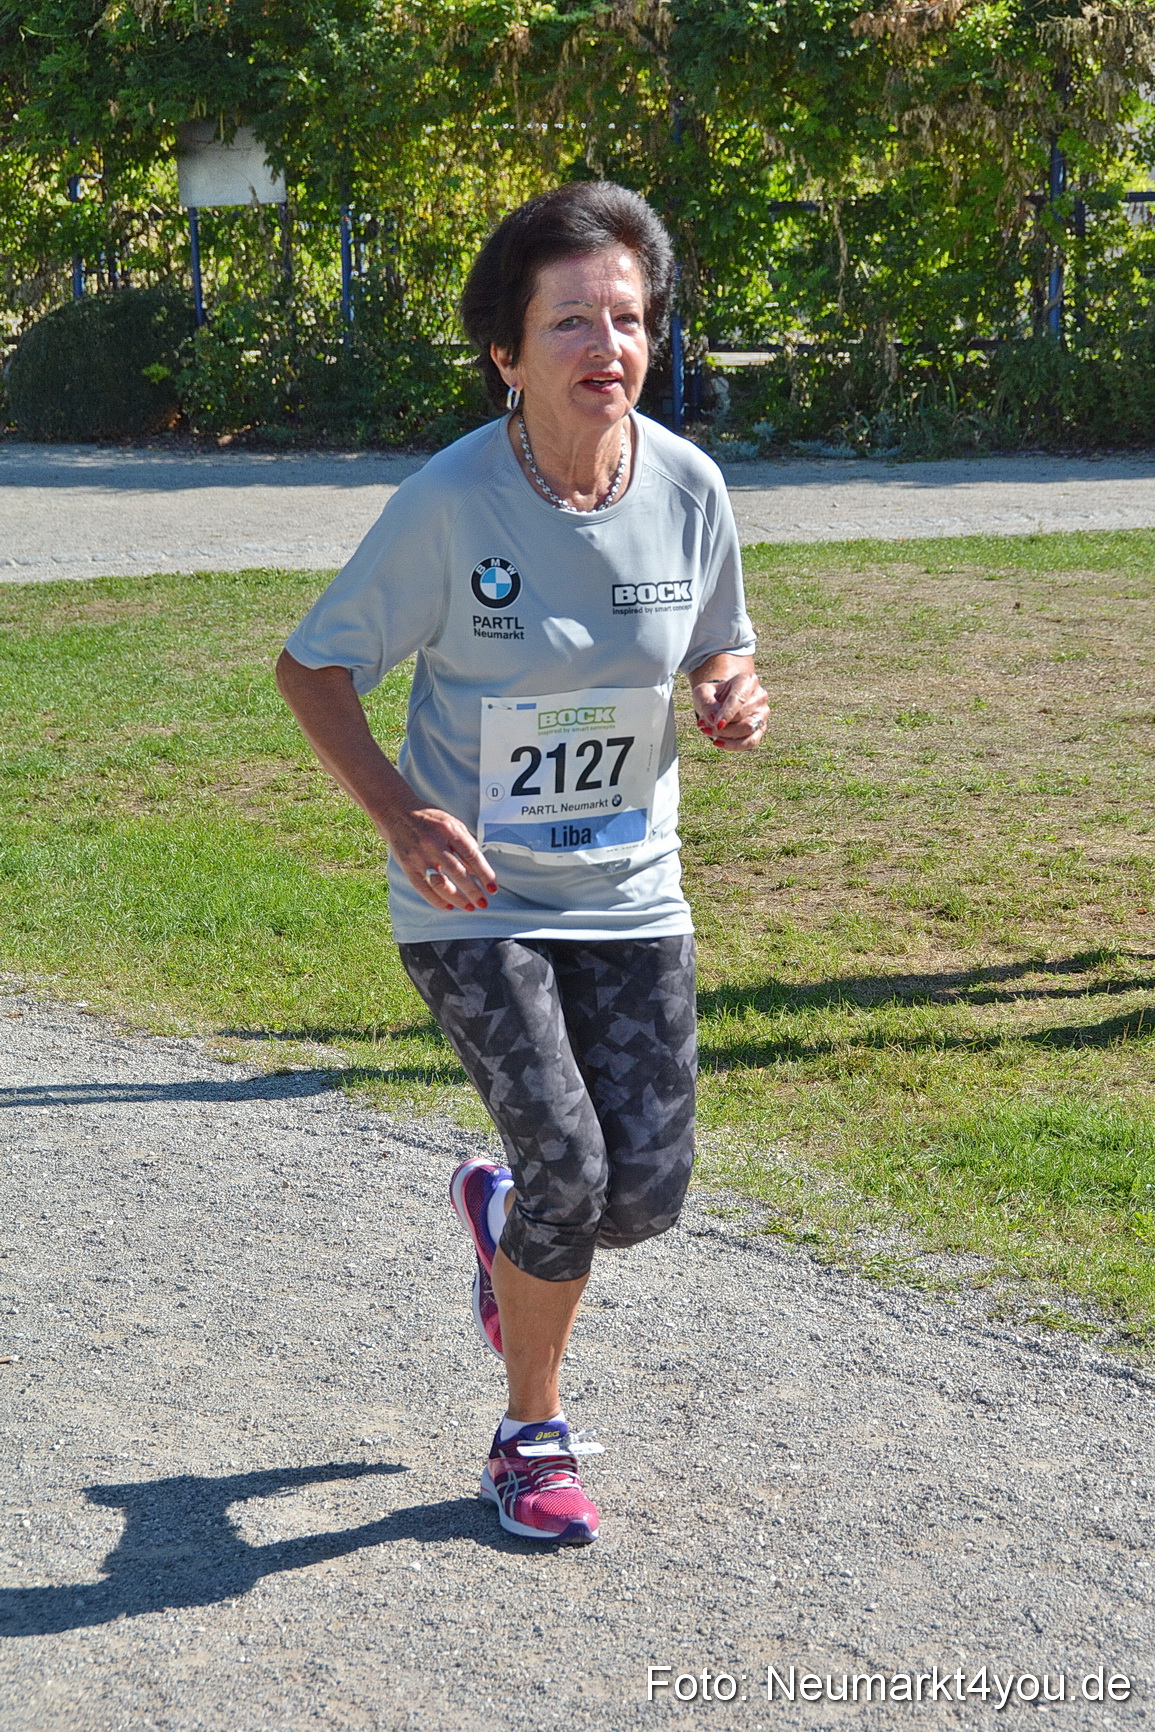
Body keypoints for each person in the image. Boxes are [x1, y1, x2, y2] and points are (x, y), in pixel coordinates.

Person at [276, 181, 768, 1546]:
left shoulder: (688, 484)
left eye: (628, 318)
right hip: (473, 899)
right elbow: (312, 667)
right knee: (568, 1163)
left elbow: (720, 641)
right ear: (507, 347)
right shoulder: (451, 503)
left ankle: (498, 1215)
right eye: (571, 321)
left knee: (643, 1195)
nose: (608, 346)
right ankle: (528, 1434)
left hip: (631, 893)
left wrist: (731, 689)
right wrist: (399, 814)